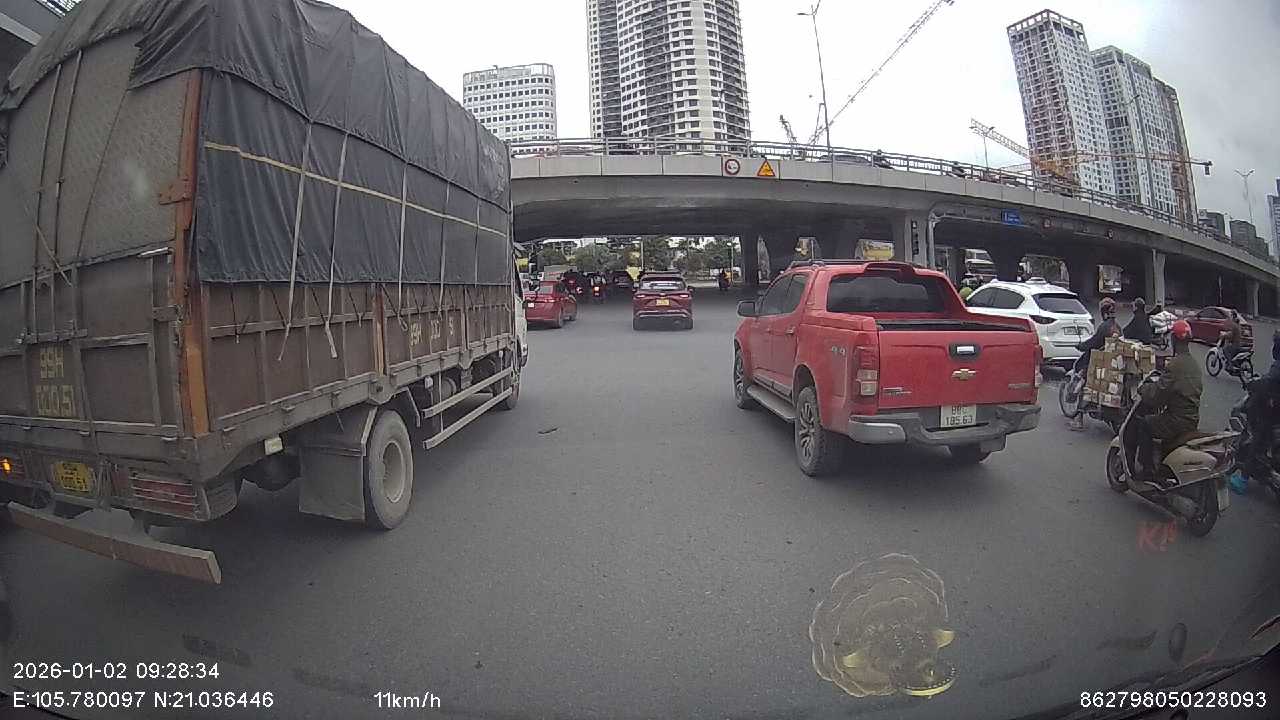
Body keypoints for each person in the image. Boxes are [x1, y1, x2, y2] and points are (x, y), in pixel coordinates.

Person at [1124, 319, 1201, 487]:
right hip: (1192, 419)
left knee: (1145, 424)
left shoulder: (1175, 365)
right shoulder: (1194, 364)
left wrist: (1143, 389)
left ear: (1174, 339)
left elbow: (1157, 395)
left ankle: (1146, 471)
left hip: (1177, 420)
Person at [1068, 297, 1122, 430]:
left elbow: (1094, 342)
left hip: (1101, 362)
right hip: (1114, 361)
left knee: (1085, 382)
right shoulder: (1117, 326)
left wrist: (1081, 346)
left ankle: (1079, 420)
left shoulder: (1104, 327)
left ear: (1103, 312)